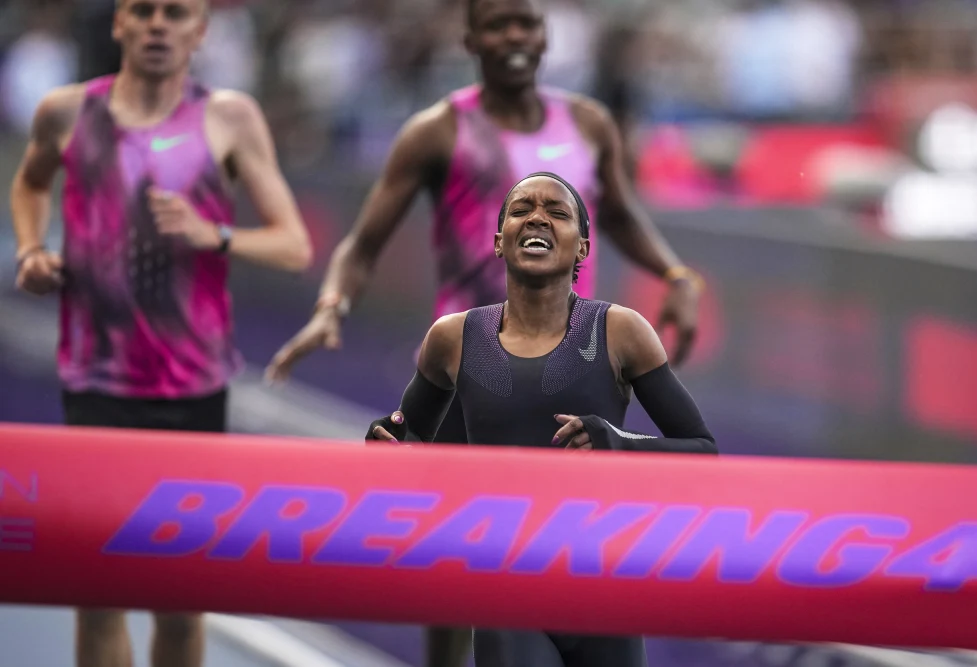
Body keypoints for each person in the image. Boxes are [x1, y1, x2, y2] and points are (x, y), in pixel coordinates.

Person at [8, 1, 313, 666]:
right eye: (142, 11)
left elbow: (293, 245)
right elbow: (29, 183)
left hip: (190, 390)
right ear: (118, 23)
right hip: (96, 382)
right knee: (99, 596)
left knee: (179, 603)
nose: (157, 25)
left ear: (200, 31)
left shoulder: (229, 117)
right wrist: (31, 249)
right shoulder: (67, 112)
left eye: (175, 13)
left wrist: (216, 234)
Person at [367, 172, 717, 667]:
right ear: (497, 240)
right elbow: (409, 438)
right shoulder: (453, 338)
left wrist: (617, 441)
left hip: (604, 589)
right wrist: (387, 452)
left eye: (557, 212)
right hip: (505, 588)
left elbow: (704, 452)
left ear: (583, 248)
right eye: (521, 209)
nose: (537, 217)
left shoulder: (620, 331)